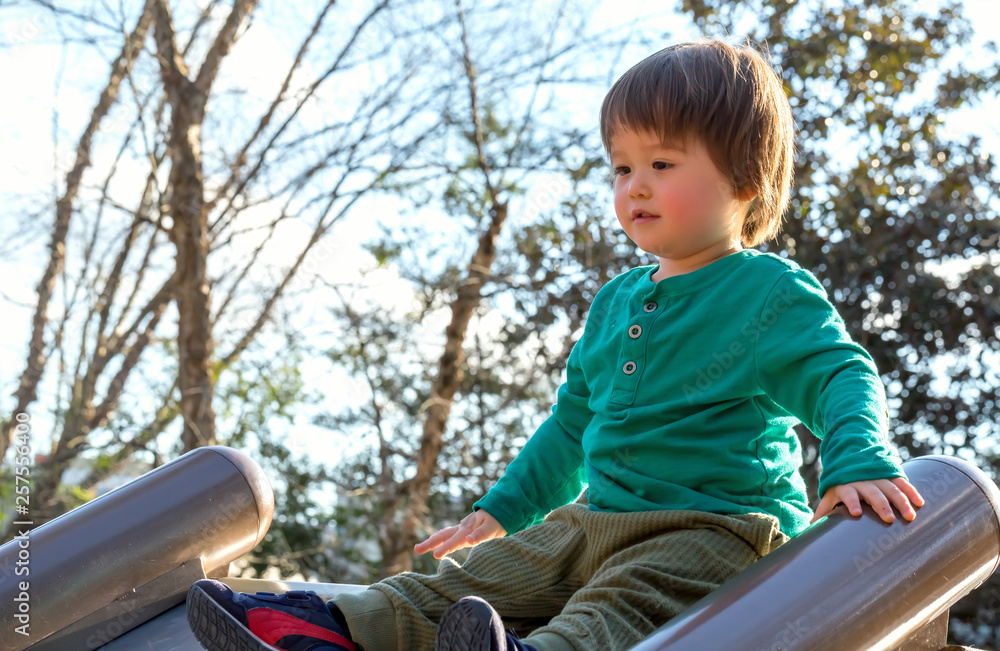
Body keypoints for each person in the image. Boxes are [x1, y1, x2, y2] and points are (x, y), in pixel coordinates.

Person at [185, 38, 925, 651]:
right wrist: (504, 507)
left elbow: (840, 371)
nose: (635, 185)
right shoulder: (615, 302)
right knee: (485, 574)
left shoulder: (767, 291)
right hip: (594, 516)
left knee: (618, 606)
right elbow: (572, 424)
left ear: (745, 179)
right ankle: (331, 628)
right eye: (622, 167)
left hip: (712, 529)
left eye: (662, 164)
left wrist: (857, 457)